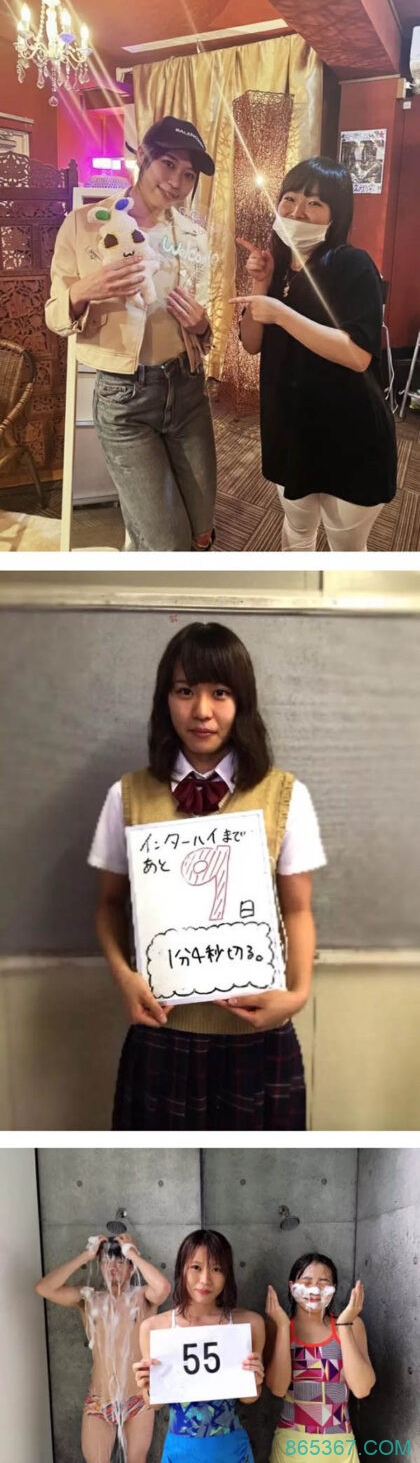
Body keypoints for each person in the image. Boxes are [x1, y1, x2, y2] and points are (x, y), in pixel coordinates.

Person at [88, 619, 326, 1130]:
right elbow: (108, 905)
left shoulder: (286, 795)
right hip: (162, 1035)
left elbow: (298, 909)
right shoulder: (126, 796)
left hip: (259, 1037)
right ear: (166, 700)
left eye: (220, 692)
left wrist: (297, 994)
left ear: (242, 701)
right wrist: (124, 977)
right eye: (184, 691)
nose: (201, 710)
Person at [45, 114, 217, 551]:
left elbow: (203, 325)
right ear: (142, 156)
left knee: (201, 529)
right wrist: (85, 290)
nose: (176, 182)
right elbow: (54, 315)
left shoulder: (193, 236)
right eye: (168, 164)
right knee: (165, 541)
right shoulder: (85, 224)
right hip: (125, 399)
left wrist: (202, 325)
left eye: (188, 174)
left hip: (187, 390)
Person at [239, 155, 397, 550]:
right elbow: (252, 343)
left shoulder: (353, 265)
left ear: (335, 214)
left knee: (346, 551)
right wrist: (260, 283)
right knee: (297, 532)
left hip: (349, 434)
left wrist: (282, 313)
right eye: (289, 199)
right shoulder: (278, 268)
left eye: (314, 203)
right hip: (291, 428)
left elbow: (358, 355)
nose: (297, 212)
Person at [35, 1221, 170, 1463]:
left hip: (137, 1399)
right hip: (99, 1401)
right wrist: (85, 1256)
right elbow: (44, 1288)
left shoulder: (142, 1298)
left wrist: (132, 1253)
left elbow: (163, 1287)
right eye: (107, 1261)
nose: (113, 1267)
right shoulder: (89, 1299)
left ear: (131, 1268)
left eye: (120, 1262)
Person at [133, 1227, 265, 1463]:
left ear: (227, 1274)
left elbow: (249, 1399)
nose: (205, 1279)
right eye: (196, 1267)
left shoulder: (248, 1324)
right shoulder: (154, 1328)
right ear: (181, 1269)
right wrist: (148, 1385)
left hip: (230, 1449)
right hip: (180, 1451)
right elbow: (155, 1403)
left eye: (216, 1269)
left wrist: (255, 1378)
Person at [265, 1250, 375, 1457]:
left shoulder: (352, 1325)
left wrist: (344, 1324)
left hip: (339, 1446)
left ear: (334, 1288)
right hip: (291, 1447)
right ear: (291, 1286)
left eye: (323, 1282)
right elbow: (278, 1389)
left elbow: (362, 1389)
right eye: (306, 1282)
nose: (315, 1289)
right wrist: (282, 1327)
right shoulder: (277, 1327)